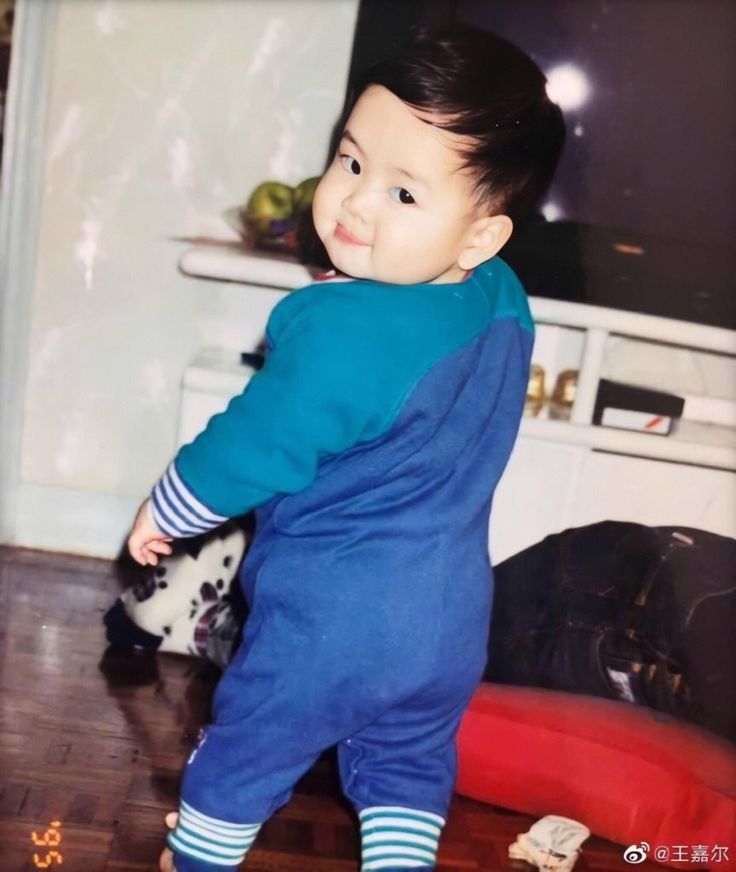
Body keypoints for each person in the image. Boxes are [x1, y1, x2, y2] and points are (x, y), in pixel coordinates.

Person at [127, 25, 565, 872]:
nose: (356, 203)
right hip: (449, 623)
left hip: (332, 623)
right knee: (405, 767)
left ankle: (198, 861)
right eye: (352, 162)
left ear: (479, 236)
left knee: (246, 752)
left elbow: (256, 444)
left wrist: (170, 506)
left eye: (404, 196)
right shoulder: (504, 301)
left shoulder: (336, 331)